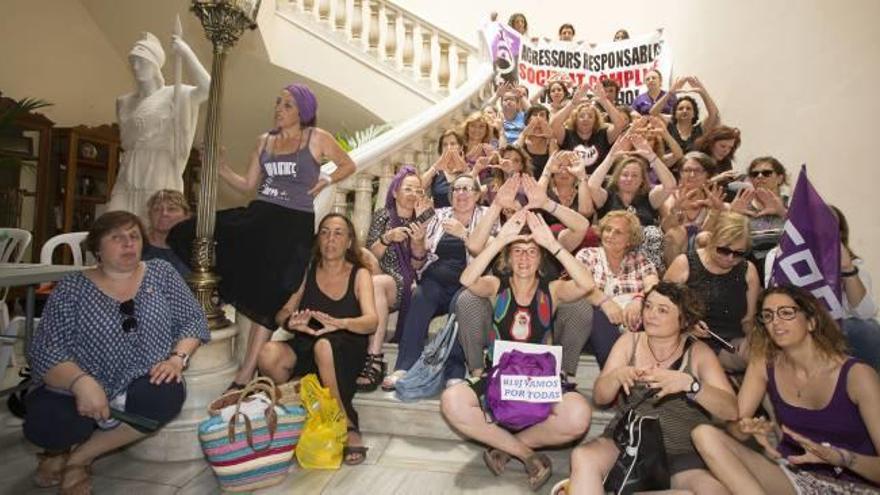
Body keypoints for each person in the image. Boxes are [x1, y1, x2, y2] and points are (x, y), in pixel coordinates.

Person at [168, 83, 356, 392]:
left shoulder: (316, 138)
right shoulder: (263, 141)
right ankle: (224, 297)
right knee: (194, 230)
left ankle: (244, 374)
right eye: (278, 103)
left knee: (272, 297)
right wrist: (223, 168)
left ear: (302, 111)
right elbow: (247, 184)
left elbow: (349, 164)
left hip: (293, 225)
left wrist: (325, 179)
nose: (279, 109)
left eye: (287, 105)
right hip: (261, 217)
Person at [24, 211, 210, 494]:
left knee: (165, 393)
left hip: (140, 378)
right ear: (97, 247)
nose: (128, 243)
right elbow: (46, 349)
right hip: (80, 383)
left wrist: (177, 358)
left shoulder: (161, 273)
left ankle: (79, 458)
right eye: (117, 237)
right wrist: (80, 382)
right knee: (46, 421)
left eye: (134, 236)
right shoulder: (73, 287)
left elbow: (193, 320)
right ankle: (55, 451)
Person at [441, 210, 595, 491]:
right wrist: (499, 241)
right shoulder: (495, 285)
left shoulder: (554, 290)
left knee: (579, 416)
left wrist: (553, 244)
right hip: (499, 374)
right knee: (452, 402)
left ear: (540, 260)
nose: (524, 258)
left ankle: (507, 446)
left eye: (532, 253)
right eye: (518, 252)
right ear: (509, 259)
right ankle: (527, 455)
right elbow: (466, 280)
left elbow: (587, 284)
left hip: (540, 378)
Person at [691, 285, 880, 494]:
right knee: (704, 435)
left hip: (855, 487)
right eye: (768, 316)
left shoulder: (857, 375)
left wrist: (841, 458)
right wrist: (749, 432)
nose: (776, 322)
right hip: (796, 478)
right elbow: (736, 424)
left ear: (811, 321)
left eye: (786, 313)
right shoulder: (763, 363)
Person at [567, 282, 737, 494]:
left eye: (662, 310)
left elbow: (730, 410)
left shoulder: (699, 353)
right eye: (648, 306)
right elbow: (600, 397)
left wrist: (690, 384)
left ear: (684, 319)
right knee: (583, 456)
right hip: (629, 443)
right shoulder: (630, 341)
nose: (651, 314)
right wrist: (616, 377)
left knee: (713, 490)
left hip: (679, 452)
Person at [257, 213, 378, 466]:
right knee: (268, 353)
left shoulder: (360, 274)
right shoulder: (308, 270)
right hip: (308, 343)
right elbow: (283, 312)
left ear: (348, 242)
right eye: (324, 232)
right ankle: (297, 407)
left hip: (346, 346)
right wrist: (290, 322)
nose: (330, 239)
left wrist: (339, 323)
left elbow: (371, 321)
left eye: (337, 233)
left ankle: (345, 419)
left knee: (325, 345)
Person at [387, 175, 493, 388]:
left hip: (469, 282)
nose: (461, 193)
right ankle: (404, 366)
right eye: (456, 189)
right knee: (419, 296)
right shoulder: (438, 215)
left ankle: (454, 370)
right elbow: (418, 260)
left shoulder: (487, 216)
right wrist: (417, 242)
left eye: (466, 188)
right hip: (435, 279)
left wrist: (464, 233)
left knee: (460, 305)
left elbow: (493, 248)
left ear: (476, 194)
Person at [108, 32, 210, 220]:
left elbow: (208, 87)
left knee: (151, 230)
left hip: (159, 172)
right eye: (133, 62)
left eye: (143, 62)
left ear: (156, 65)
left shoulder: (174, 93)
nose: (136, 67)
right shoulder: (123, 102)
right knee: (113, 223)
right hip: (128, 173)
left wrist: (186, 52)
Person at [357, 167, 432, 391]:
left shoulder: (426, 218)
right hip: (382, 274)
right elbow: (370, 254)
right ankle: (374, 357)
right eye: (407, 188)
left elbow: (419, 263)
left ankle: (374, 358)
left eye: (417, 190)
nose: (412, 193)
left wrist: (418, 242)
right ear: (395, 191)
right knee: (374, 279)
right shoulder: (383, 215)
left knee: (376, 285)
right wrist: (387, 238)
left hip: (409, 280)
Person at [665, 212, 761, 371]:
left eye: (739, 253)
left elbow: (748, 320)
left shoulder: (748, 270)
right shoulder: (685, 264)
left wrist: (757, 342)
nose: (730, 258)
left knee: (762, 356)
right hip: (688, 338)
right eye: (724, 250)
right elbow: (661, 306)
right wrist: (687, 324)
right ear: (711, 240)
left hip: (732, 341)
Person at [575, 211, 660, 367]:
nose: (610, 235)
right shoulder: (587, 255)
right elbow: (581, 287)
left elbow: (653, 286)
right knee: (597, 317)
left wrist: (639, 299)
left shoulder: (640, 261)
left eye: (618, 232)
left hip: (634, 323)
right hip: (597, 321)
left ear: (629, 240)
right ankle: (614, 374)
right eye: (608, 229)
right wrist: (605, 303)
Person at [588, 133, 677, 271]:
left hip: (646, 261)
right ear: (617, 177)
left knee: (652, 232)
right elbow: (592, 185)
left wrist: (651, 156)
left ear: (642, 180)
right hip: (613, 251)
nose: (629, 179)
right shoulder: (607, 196)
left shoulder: (650, 197)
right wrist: (611, 156)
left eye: (635, 176)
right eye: (625, 174)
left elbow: (670, 185)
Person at [731, 156, 789, 280]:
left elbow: (805, 236)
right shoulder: (742, 205)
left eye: (767, 173)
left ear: (780, 178)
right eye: (754, 174)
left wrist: (783, 213)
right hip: (751, 267)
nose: (760, 176)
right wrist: (733, 215)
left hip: (785, 264)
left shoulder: (792, 204)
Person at [551, 81, 627, 174]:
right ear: (575, 119)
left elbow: (620, 124)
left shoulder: (603, 134)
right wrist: (572, 103)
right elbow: (553, 124)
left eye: (590, 116)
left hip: (598, 183)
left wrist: (604, 101)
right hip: (572, 182)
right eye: (581, 116)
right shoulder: (567, 134)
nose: (585, 119)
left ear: (596, 120)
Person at [650, 76, 720, 152]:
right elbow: (653, 112)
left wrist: (703, 92)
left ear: (694, 113)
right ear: (675, 114)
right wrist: (670, 93)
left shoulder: (700, 129)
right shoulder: (669, 127)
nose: (684, 111)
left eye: (688, 108)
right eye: (680, 108)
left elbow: (714, 113)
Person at [142, 189, 191, 278]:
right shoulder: (138, 246)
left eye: (171, 209)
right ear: (149, 215)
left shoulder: (193, 249)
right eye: (157, 209)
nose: (164, 213)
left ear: (186, 216)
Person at [420, 130, 468, 208]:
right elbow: (419, 186)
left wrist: (462, 167)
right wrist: (436, 167)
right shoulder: (436, 171)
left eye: (453, 144)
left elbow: (476, 191)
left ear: (460, 147)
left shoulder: (468, 169)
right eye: (445, 145)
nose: (449, 147)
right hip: (441, 217)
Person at [516, 105, 555, 177]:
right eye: (534, 115)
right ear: (528, 120)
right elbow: (514, 156)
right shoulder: (522, 139)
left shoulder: (551, 142)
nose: (538, 118)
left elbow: (554, 165)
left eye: (542, 115)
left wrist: (551, 137)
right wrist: (524, 134)